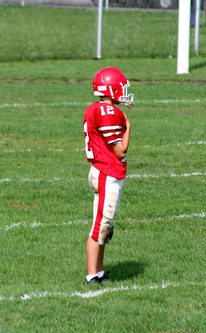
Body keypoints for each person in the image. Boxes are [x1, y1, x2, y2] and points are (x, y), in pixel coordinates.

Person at [82, 67, 134, 285]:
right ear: (111, 88)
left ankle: (99, 272)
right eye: (121, 88)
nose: (123, 92)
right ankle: (91, 276)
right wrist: (128, 127)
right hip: (107, 172)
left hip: (103, 170)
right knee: (100, 227)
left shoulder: (95, 109)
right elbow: (120, 150)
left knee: (105, 225)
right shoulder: (108, 113)